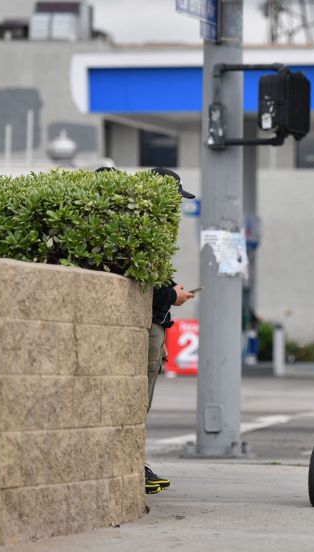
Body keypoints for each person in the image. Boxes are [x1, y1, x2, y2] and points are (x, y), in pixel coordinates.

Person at [97, 166, 196, 494]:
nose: (178, 208)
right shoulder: (142, 227)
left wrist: (170, 296)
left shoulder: (143, 227)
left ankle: (135, 463)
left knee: (138, 401)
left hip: (153, 322)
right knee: (139, 402)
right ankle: (132, 466)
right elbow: (144, 284)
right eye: (175, 199)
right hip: (146, 324)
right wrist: (173, 296)